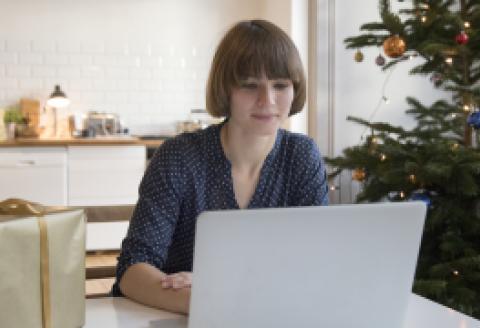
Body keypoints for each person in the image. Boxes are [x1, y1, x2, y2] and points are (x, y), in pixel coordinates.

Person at [112, 19, 329, 314]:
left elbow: (312, 264)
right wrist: (208, 301)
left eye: (280, 85)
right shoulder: (178, 157)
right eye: (250, 86)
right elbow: (132, 270)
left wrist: (223, 294)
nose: (268, 101)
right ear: (225, 90)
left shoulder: (302, 156)